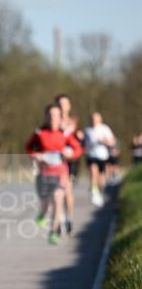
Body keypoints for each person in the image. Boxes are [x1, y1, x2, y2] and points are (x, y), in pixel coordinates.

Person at [25, 103, 82, 244]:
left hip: (61, 173)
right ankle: (42, 215)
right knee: (46, 204)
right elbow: (28, 148)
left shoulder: (65, 134)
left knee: (58, 200)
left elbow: (78, 149)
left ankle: (53, 232)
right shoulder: (39, 133)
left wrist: (70, 154)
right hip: (44, 173)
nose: (53, 118)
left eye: (56, 115)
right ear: (46, 116)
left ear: (60, 117)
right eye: (50, 115)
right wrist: (35, 155)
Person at [56, 94, 83, 235]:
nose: (62, 106)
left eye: (64, 103)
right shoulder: (52, 120)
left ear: (69, 106)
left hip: (71, 160)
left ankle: (69, 218)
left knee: (68, 191)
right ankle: (59, 220)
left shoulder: (74, 121)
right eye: (59, 104)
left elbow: (80, 140)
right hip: (56, 160)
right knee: (57, 191)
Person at [83, 111, 116, 206]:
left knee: (101, 178)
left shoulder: (105, 128)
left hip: (102, 156)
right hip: (91, 155)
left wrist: (104, 141)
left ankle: (100, 192)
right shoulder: (87, 129)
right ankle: (93, 191)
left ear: (100, 119)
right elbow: (83, 142)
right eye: (92, 118)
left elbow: (112, 142)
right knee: (93, 171)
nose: (94, 120)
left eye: (96, 118)